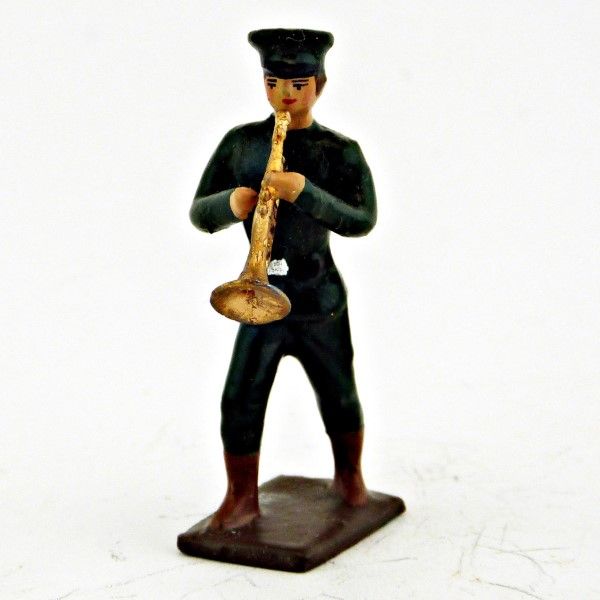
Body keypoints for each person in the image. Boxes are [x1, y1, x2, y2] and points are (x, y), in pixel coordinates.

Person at [190, 29, 377, 529]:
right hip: (257, 299)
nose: (285, 94)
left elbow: (362, 220)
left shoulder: (341, 151)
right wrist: (231, 203)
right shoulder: (241, 143)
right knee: (240, 397)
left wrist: (305, 193)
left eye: (298, 83)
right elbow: (199, 212)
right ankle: (241, 498)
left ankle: (350, 480)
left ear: (320, 84)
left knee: (338, 391)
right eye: (273, 82)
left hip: (319, 301)